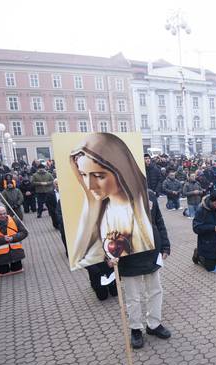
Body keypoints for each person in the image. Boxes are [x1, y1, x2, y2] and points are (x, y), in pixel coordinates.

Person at [68, 133, 155, 271]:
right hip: (126, 269)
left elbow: (154, 233)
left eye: (98, 176)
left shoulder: (143, 201)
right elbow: (94, 251)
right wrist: (105, 261)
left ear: (120, 170)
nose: (90, 185)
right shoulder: (99, 211)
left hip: (148, 264)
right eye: (83, 175)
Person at [114, 188, 172, 349]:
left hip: (152, 252)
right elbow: (107, 228)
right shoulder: (115, 196)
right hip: (128, 256)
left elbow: (158, 220)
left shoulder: (150, 194)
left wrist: (165, 245)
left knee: (155, 291)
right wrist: (109, 254)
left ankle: (154, 324)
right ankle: (136, 328)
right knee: (133, 296)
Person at [0, 206, 28, 277]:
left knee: (17, 269)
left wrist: (12, 238)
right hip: (1, 257)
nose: (3, 216)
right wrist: (2, 240)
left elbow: (24, 233)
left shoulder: (14, 220)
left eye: (4, 213)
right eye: (0, 214)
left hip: (16, 254)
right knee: (3, 271)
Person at [192, 190, 216, 272]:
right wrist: (212, 228)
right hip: (207, 243)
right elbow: (196, 228)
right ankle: (198, 255)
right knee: (210, 268)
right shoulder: (201, 210)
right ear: (211, 201)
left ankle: (214, 258)